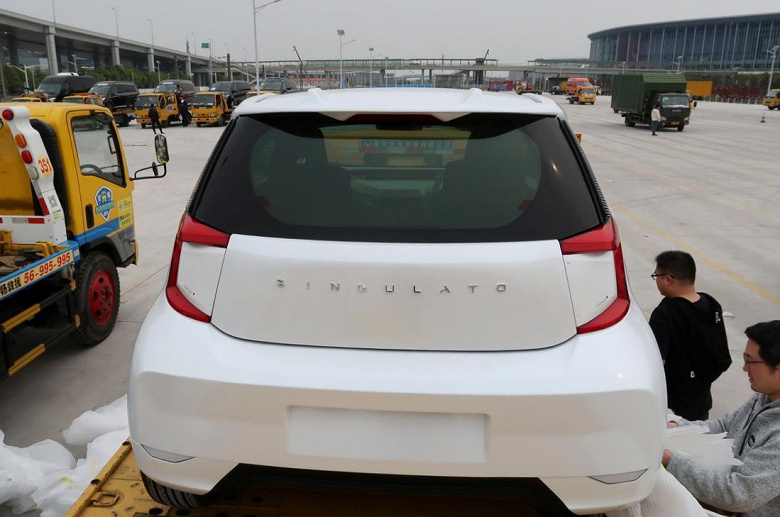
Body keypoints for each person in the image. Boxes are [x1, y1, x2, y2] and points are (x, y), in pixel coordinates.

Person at [663, 321, 780, 516]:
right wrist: (678, 426)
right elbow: (726, 426)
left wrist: (671, 461)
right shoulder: (765, 396)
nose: (745, 368)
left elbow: (740, 494)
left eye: (750, 360)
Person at [649, 250, 730, 421]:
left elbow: (657, 363)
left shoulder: (665, 313)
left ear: (668, 279)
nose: (656, 281)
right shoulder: (712, 305)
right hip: (701, 402)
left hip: (672, 406)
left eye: (656, 276)